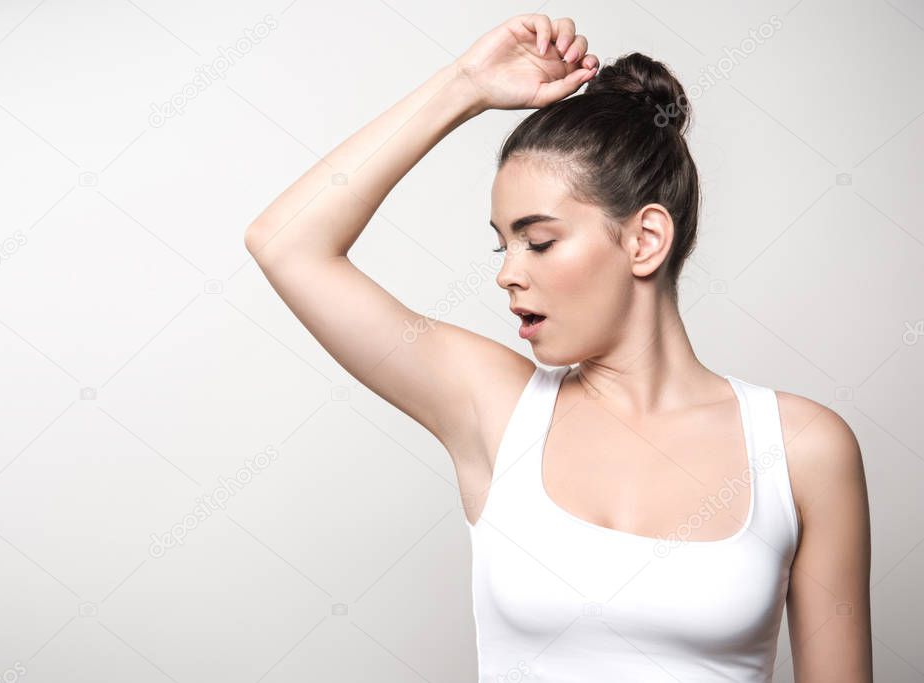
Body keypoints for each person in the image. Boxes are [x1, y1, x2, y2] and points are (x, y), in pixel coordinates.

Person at [244, 13, 872, 682]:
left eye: (538, 241)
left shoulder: (802, 447)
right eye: (502, 243)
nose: (508, 272)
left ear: (644, 240)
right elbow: (287, 242)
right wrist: (465, 85)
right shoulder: (496, 410)